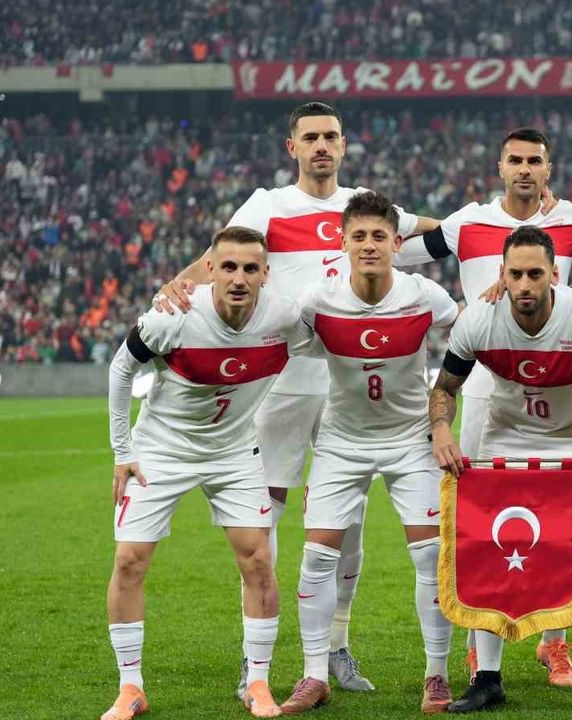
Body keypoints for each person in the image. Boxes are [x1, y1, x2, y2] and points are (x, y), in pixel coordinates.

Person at [154, 101, 438, 695]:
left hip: (344, 382)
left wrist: (502, 236)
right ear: (292, 148)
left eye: (331, 136)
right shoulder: (269, 205)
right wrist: (174, 288)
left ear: (344, 144)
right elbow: (219, 258)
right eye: (310, 137)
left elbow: (436, 234)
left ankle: (336, 648)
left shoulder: (363, 208)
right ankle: (252, 655)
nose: (322, 146)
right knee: (265, 513)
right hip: (282, 379)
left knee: (347, 522)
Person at [402, 126, 572, 685]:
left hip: (556, 392)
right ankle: (479, 646)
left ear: (548, 169)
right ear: (500, 167)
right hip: (482, 387)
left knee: (562, 521)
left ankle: (554, 642)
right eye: (515, 160)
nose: (524, 169)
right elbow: (402, 248)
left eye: (534, 160)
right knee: (478, 520)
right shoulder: (467, 222)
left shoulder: (571, 221)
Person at [429, 226, 572, 713]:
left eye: (534, 273)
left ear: (554, 275)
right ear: (501, 276)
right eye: (515, 274)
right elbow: (445, 388)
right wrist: (441, 430)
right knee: (490, 550)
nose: (525, 284)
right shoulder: (478, 321)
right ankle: (487, 678)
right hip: (507, 440)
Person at [103, 226, 312, 720]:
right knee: (129, 560)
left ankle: (257, 683)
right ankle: (130, 689)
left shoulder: (285, 317)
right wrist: (122, 450)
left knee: (258, 560)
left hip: (234, 451)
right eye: (229, 267)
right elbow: (121, 368)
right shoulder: (173, 315)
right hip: (161, 449)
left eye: (250, 268)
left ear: (265, 273)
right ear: (210, 269)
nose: (239, 278)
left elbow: (333, 344)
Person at [278, 193, 459, 715]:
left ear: (397, 243)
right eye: (358, 236)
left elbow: (467, 335)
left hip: (410, 440)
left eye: (379, 236)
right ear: (343, 242)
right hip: (341, 441)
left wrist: (441, 417)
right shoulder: (318, 300)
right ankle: (315, 676)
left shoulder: (425, 296)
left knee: (430, 555)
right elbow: (284, 340)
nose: (369, 245)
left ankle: (437, 675)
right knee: (317, 557)